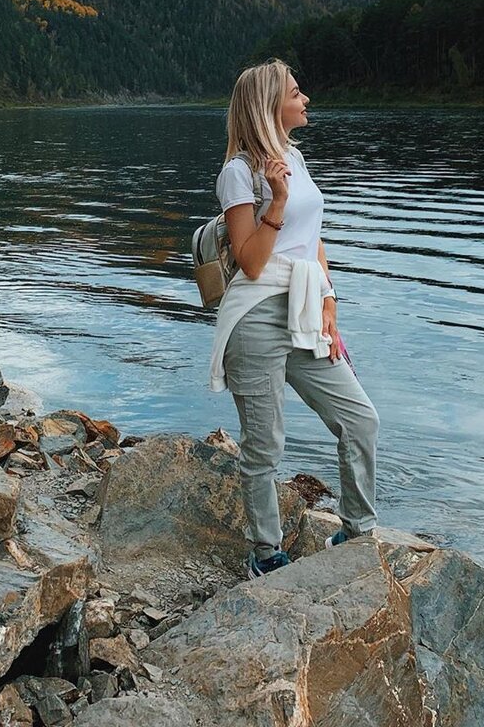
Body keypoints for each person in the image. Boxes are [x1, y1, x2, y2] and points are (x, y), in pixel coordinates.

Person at [209, 58, 379, 578]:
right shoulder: (238, 173)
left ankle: (356, 531)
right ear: (269, 105)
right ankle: (266, 554)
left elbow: (315, 242)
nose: (305, 100)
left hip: (307, 307)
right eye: (296, 92)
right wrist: (276, 201)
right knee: (265, 444)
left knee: (360, 419)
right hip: (257, 316)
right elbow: (253, 262)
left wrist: (330, 299)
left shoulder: (297, 158)